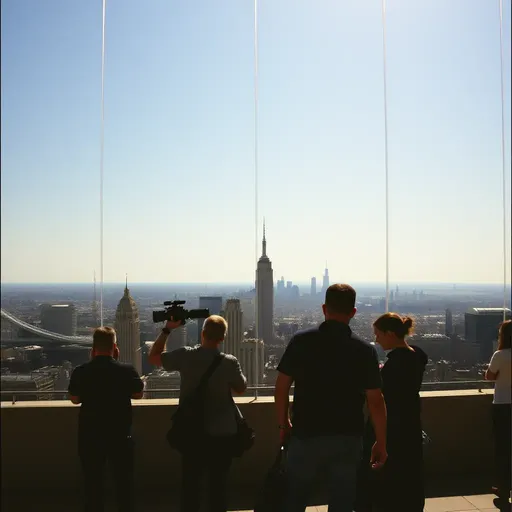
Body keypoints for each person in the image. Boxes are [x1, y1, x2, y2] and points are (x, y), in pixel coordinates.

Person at [275, 283, 388, 512]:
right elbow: (376, 400)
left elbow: (282, 386)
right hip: (347, 437)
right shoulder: (364, 350)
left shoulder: (301, 341)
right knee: (343, 502)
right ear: (353, 312)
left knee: (294, 499)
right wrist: (382, 441)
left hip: (306, 433)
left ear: (324, 308)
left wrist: (283, 422)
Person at [149, 314, 247, 512]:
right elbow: (241, 388)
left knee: (191, 487)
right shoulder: (229, 362)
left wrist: (167, 329)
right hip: (222, 434)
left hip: (192, 433)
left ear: (202, 334)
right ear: (222, 338)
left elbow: (154, 357)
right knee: (218, 488)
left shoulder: (186, 355)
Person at [356, 313, 427, 512]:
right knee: (409, 472)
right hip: (410, 424)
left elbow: (381, 396)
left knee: (388, 476)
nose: (376, 339)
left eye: (378, 334)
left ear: (389, 333)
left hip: (391, 427)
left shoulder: (395, 365)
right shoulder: (416, 356)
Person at [68, 326, 144, 512]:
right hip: (120, 437)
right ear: (115, 348)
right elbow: (138, 394)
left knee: (92, 486)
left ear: (92, 350)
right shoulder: (126, 370)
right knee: (124, 486)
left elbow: (75, 399)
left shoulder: (81, 371)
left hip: (90, 437)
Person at [485, 319, 511, 511]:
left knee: (503, 448)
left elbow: (489, 376)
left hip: (503, 404)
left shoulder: (500, 355)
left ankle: (503, 489)